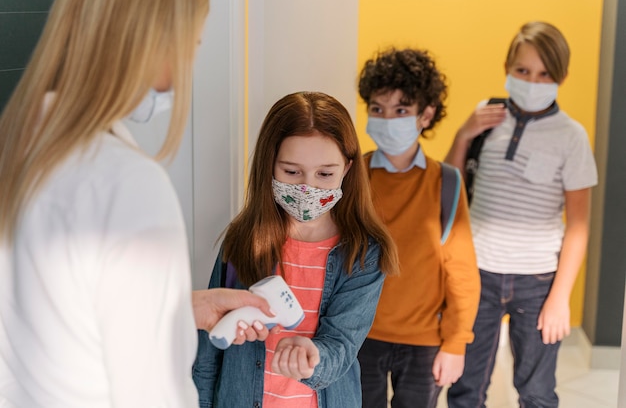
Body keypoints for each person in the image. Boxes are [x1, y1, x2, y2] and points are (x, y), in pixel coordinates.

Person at [0, 0, 272, 407]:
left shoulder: (16, 145)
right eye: (191, 47)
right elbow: (150, 393)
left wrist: (177, 310)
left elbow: (59, 312)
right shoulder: (129, 185)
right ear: (154, 44)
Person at [192, 91, 400, 408]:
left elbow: (342, 344)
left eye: (325, 174)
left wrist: (313, 357)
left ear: (347, 168)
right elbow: (209, 348)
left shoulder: (363, 253)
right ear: (269, 165)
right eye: (291, 172)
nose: (308, 188)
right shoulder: (243, 240)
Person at [445, 22, 598, 407]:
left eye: (545, 73)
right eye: (523, 71)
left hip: (538, 280)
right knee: (466, 389)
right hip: (476, 274)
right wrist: (463, 134)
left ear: (561, 76)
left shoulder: (572, 136)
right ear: (507, 68)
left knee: (536, 391)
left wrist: (560, 296)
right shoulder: (485, 116)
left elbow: (579, 224)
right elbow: (448, 187)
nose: (533, 80)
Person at [355, 48, 481, 408]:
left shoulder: (447, 183)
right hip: (361, 335)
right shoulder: (353, 178)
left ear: (425, 115)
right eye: (377, 109)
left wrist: (455, 344)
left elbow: (461, 272)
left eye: (400, 110)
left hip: (425, 342)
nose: (387, 118)